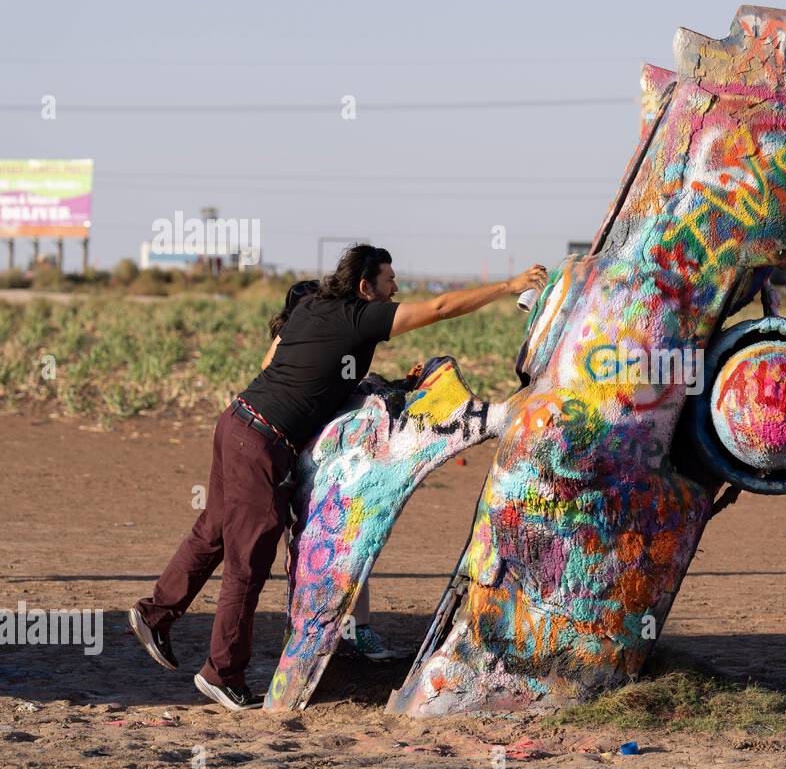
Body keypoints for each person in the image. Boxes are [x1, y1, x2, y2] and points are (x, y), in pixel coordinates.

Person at [128, 244, 547, 710]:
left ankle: (156, 615)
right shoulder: (359, 316)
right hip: (264, 441)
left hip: (237, 420)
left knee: (213, 530)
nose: (395, 289)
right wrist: (510, 286)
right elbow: (441, 307)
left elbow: (275, 364)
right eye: (389, 281)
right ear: (365, 286)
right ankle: (221, 672)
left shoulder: (313, 305)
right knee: (250, 559)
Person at [262, 279, 410, 663]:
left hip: (328, 466)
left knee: (340, 542)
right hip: (301, 461)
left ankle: (346, 630)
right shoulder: (292, 349)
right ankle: (326, 630)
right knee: (320, 545)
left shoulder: (320, 346)